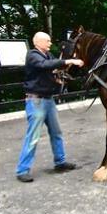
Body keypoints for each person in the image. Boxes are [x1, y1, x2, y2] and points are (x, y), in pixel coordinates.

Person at [16, 31, 84, 183]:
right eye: (47, 41)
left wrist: (58, 79)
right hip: (36, 101)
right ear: (38, 42)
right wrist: (68, 61)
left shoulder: (48, 55)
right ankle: (22, 170)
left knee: (56, 132)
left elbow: (52, 69)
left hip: (48, 100)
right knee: (33, 137)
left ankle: (60, 162)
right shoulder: (33, 55)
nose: (50, 43)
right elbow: (44, 66)